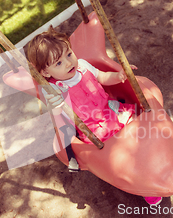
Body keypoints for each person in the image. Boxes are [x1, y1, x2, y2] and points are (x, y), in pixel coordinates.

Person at [25, 26, 162, 206]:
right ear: (45, 72)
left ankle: (151, 161)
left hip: (110, 110)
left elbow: (103, 77)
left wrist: (119, 75)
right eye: (58, 63)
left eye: (68, 54)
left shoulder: (82, 65)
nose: (68, 62)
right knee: (119, 154)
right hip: (92, 128)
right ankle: (144, 184)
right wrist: (58, 106)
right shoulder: (54, 90)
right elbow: (60, 119)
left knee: (140, 133)